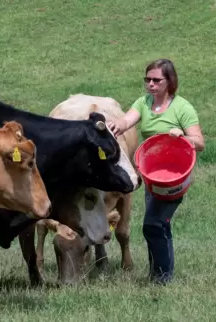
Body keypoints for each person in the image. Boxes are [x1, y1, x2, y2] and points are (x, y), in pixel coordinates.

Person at [107, 58, 205, 285]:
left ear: (169, 82)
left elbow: (200, 143)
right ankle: (159, 275)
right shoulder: (144, 102)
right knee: (160, 225)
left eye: (156, 80)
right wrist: (113, 126)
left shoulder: (182, 108)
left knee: (153, 224)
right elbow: (126, 121)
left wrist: (182, 137)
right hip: (152, 175)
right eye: (147, 79)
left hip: (175, 177)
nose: (150, 84)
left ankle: (161, 280)